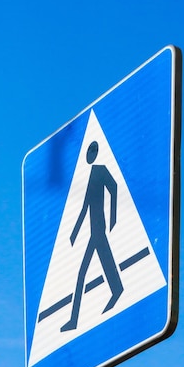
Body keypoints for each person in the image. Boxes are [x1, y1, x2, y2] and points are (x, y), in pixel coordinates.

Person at [61, 140, 123, 332]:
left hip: (99, 229)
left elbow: (114, 188)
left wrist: (113, 217)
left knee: (84, 273)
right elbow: (85, 207)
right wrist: (74, 232)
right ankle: (116, 290)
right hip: (93, 230)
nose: (88, 155)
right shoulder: (89, 177)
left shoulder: (101, 170)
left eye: (92, 151)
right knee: (94, 268)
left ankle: (74, 318)